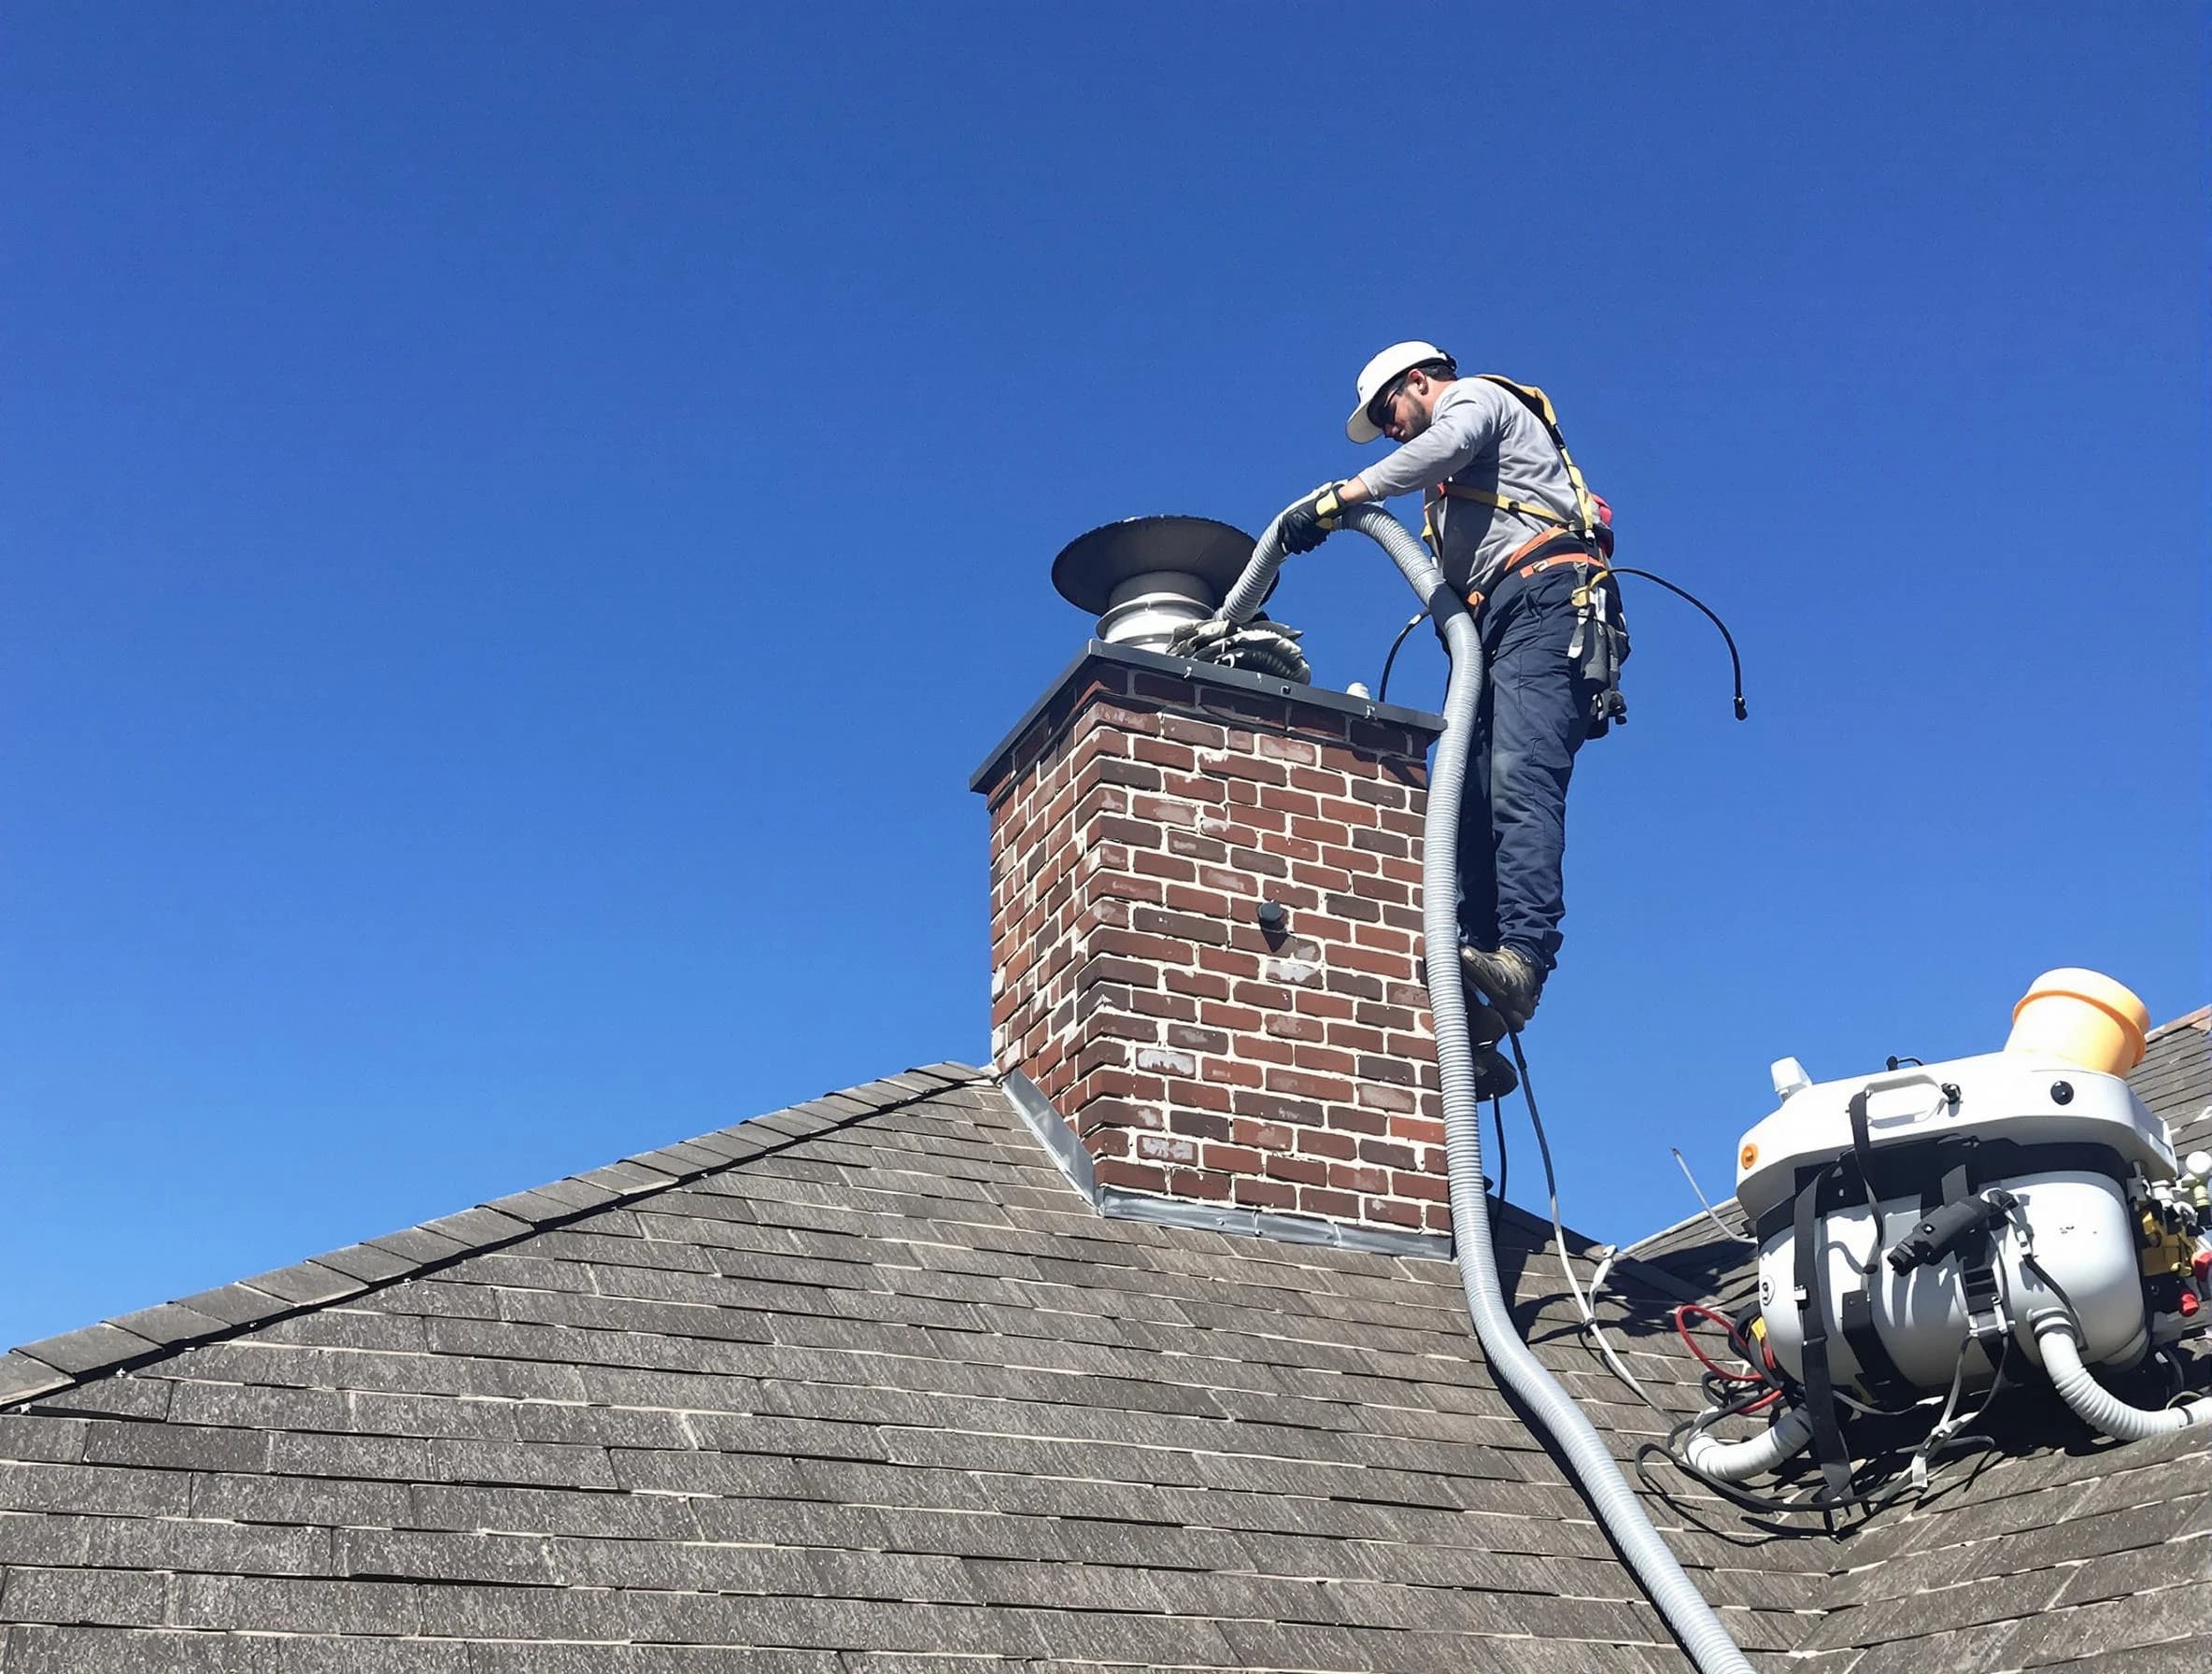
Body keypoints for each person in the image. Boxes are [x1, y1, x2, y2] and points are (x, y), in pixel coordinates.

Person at [1275, 341, 1620, 1032]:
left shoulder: (1474, 402)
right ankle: (1478, 988)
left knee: (1519, 779)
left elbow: (1444, 444)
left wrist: (1345, 496)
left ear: (1418, 382)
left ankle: (1522, 958)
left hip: (1547, 601)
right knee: (1468, 804)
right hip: (1501, 624)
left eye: (1388, 411)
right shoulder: (1446, 496)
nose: (1392, 426)